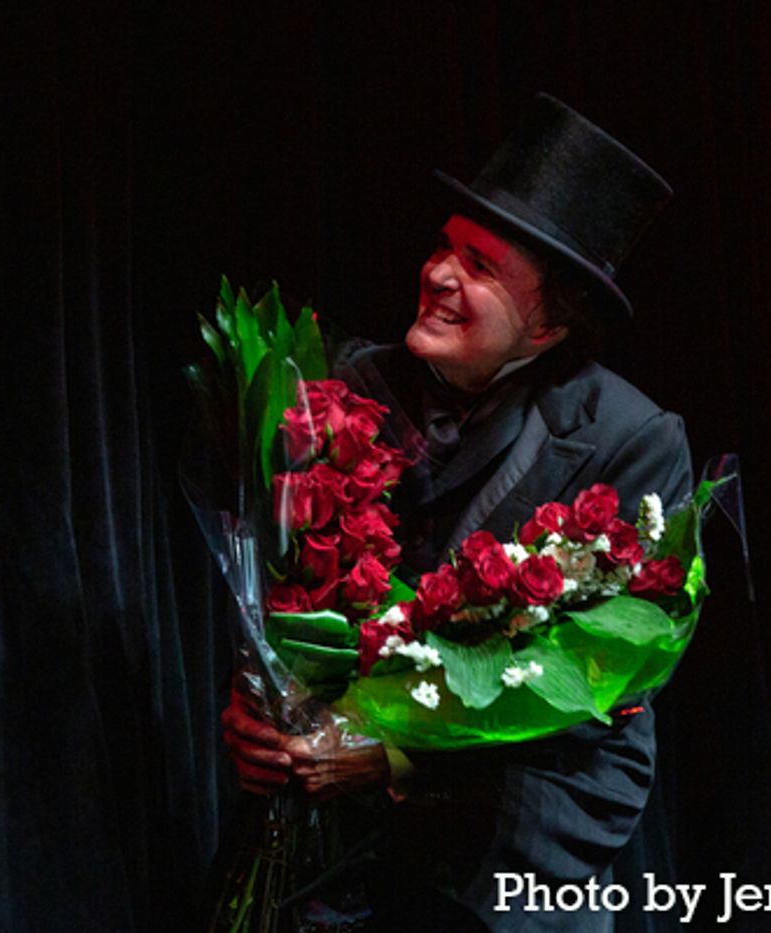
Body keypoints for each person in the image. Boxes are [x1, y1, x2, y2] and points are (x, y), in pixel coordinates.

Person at [220, 93, 692, 932]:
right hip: (324, 880)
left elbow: (597, 716)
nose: (439, 274)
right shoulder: (344, 392)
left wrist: (396, 754)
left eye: (480, 267)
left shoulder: (628, 442)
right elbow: (290, 608)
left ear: (546, 326)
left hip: (499, 885)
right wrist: (264, 708)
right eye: (445, 247)